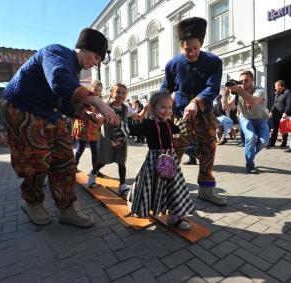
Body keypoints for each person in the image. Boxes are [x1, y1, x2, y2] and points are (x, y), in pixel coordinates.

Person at [1, 28, 119, 228]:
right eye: (96, 56)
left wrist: (85, 113)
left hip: (47, 113)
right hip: (21, 106)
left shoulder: (73, 70)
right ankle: (32, 202)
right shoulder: (56, 52)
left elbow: (63, 101)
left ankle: (67, 207)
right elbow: (58, 79)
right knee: (35, 159)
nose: (96, 62)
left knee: (65, 157)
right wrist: (99, 102)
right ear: (83, 48)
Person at [160, 17, 226, 206]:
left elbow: (213, 87)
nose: (192, 52)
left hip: (204, 113)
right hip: (181, 113)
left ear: (202, 44)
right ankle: (166, 189)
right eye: (188, 49)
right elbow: (167, 86)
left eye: (196, 48)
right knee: (174, 149)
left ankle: (206, 189)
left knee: (208, 148)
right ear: (181, 45)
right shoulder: (173, 64)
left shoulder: (213, 61)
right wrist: (159, 102)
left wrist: (196, 102)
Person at [128, 91, 194, 230]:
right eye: (163, 107)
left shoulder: (169, 123)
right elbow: (132, 130)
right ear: (153, 108)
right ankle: (140, 208)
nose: (167, 111)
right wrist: (120, 120)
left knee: (175, 187)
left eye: (170, 107)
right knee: (146, 185)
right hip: (153, 161)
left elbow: (178, 129)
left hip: (170, 160)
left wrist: (185, 118)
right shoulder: (148, 123)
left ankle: (175, 217)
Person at [88, 83, 149, 197]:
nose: (121, 95)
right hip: (108, 137)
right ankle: (92, 175)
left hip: (121, 138)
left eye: (124, 93)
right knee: (103, 160)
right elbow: (98, 122)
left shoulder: (127, 108)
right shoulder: (105, 107)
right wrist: (98, 121)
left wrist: (145, 109)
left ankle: (122, 185)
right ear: (112, 94)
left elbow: (139, 117)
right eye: (118, 92)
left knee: (121, 161)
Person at [222, 71, 269, 174]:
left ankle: (249, 154)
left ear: (252, 80)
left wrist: (238, 90)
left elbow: (252, 101)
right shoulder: (238, 93)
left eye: (246, 80)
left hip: (261, 119)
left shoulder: (259, 90)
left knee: (263, 142)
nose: (243, 82)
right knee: (250, 137)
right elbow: (226, 108)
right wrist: (225, 96)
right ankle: (250, 164)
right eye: (241, 81)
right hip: (246, 118)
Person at [72, 80, 105, 172]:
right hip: (83, 127)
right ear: (91, 89)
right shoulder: (86, 98)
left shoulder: (99, 101)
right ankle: (73, 166)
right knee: (80, 148)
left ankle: (95, 171)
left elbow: (102, 112)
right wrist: (88, 112)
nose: (97, 92)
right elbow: (81, 108)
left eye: (99, 90)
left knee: (95, 151)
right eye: (95, 90)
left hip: (93, 128)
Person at [268, 80, 291, 148]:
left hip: (283, 113)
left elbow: (289, 104)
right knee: (274, 129)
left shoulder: (288, 93)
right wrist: (271, 111)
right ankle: (272, 143)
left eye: (276, 86)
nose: (275, 88)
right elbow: (275, 104)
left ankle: (284, 143)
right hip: (276, 113)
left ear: (280, 86)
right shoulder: (277, 93)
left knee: (284, 129)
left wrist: (285, 112)